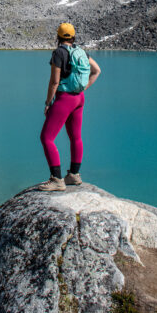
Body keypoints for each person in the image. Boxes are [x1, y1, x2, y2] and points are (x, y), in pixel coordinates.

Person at [39, 22, 101, 191]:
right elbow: (97, 70)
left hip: (64, 99)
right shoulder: (80, 52)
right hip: (79, 98)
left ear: (58, 37)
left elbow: (54, 82)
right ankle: (74, 175)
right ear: (73, 36)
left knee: (47, 138)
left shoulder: (59, 53)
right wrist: (83, 88)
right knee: (75, 137)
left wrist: (48, 103)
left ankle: (57, 179)